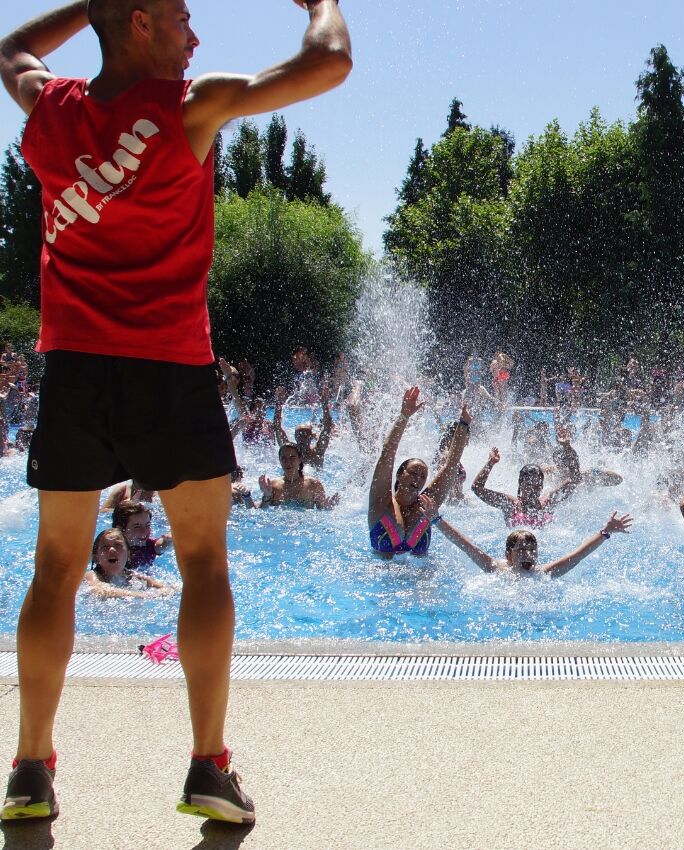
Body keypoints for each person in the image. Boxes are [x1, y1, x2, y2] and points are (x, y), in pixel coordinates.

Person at [0, 0, 350, 824]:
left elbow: (12, 46)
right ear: (143, 24)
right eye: (182, 17)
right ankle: (207, 768)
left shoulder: (54, 114)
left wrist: (90, 5)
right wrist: (319, 2)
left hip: (75, 368)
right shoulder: (190, 108)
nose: (196, 35)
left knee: (55, 570)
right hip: (168, 367)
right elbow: (329, 62)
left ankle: (28, 770)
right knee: (204, 566)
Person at [368, 387, 470, 559]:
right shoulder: (381, 502)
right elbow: (387, 453)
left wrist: (464, 424)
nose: (418, 479)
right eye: (414, 472)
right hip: (383, 580)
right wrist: (404, 416)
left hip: (422, 582)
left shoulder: (427, 505)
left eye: (423, 476)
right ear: (400, 475)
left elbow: (450, 465)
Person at [434, 510, 633, 577]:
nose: (528, 554)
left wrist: (605, 532)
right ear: (508, 555)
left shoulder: (543, 573)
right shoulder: (495, 569)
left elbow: (577, 555)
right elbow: (466, 545)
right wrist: (436, 520)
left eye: (532, 550)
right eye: (521, 549)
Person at [83, 528, 171, 599]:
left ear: (128, 554)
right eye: (105, 546)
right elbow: (100, 591)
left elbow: (166, 589)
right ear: (96, 558)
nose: (112, 549)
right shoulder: (91, 575)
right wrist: (144, 595)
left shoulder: (133, 577)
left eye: (118, 545)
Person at [257, 442, 335, 509]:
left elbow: (321, 511)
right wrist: (267, 495)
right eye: (283, 458)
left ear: (300, 459)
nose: (288, 462)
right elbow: (262, 511)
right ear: (279, 460)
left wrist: (328, 507)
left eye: (292, 458)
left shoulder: (313, 484)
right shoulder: (272, 485)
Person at [110, 498, 172, 570]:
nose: (144, 531)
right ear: (120, 529)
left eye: (147, 525)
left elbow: (160, 545)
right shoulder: (111, 550)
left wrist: (168, 540)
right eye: (137, 527)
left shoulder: (148, 546)